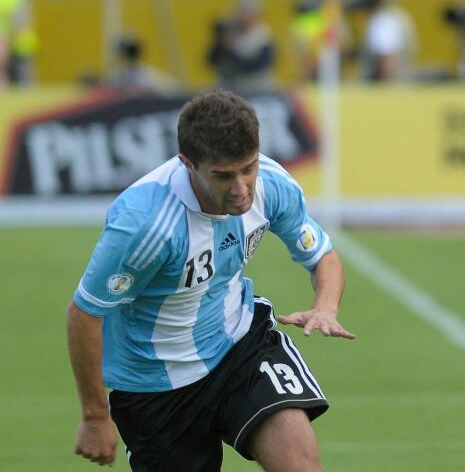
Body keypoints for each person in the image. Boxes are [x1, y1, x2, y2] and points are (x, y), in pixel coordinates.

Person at [67, 89, 354, 470]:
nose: (241, 189)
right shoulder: (144, 223)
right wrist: (94, 417)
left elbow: (323, 258)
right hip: (156, 387)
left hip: (239, 349)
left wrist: (325, 306)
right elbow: (85, 314)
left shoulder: (271, 183)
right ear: (188, 163)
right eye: (223, 176)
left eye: (247, 168)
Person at [207, 0, 276, 94]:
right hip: (233, 86)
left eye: (247, 13)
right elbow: (211, 60)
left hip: (256, 87)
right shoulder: (231, 32)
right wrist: (220, 43)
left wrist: (231, 50)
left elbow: (258, 64)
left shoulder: (263, 35)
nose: (243, 17)